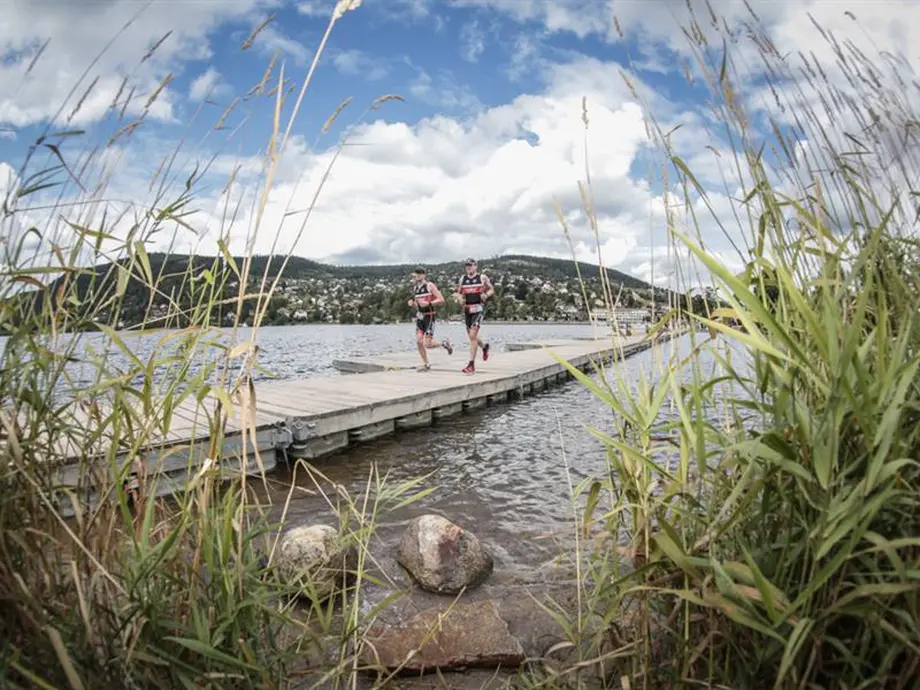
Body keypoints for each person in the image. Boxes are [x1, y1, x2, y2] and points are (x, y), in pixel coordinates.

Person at [453, 257, 494, 374]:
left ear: (476, 266)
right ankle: (484, 347)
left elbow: (491, 289)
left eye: (470, 265)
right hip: (467, 310)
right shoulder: (462, 279)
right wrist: (459, 298)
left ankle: (471, 365)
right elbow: (459, 293)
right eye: (467, 265)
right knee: (472, 337)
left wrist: (486, 295)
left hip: (478, 309)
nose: (468, 267)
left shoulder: (482, 277)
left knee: (472, 335)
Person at [407, 267, 453, 371]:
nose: (418, 275)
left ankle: (443, 344)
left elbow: (441, 299)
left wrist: (429, 303)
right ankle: (426, 364)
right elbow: (419, 306)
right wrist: (413, 304)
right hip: (420, 317)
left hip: (429, 316)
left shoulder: (429, 285)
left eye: (420, 273)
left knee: (427, 344)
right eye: (416, 274)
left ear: (424, 275)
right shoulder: (415, 288)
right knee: (418, 341)